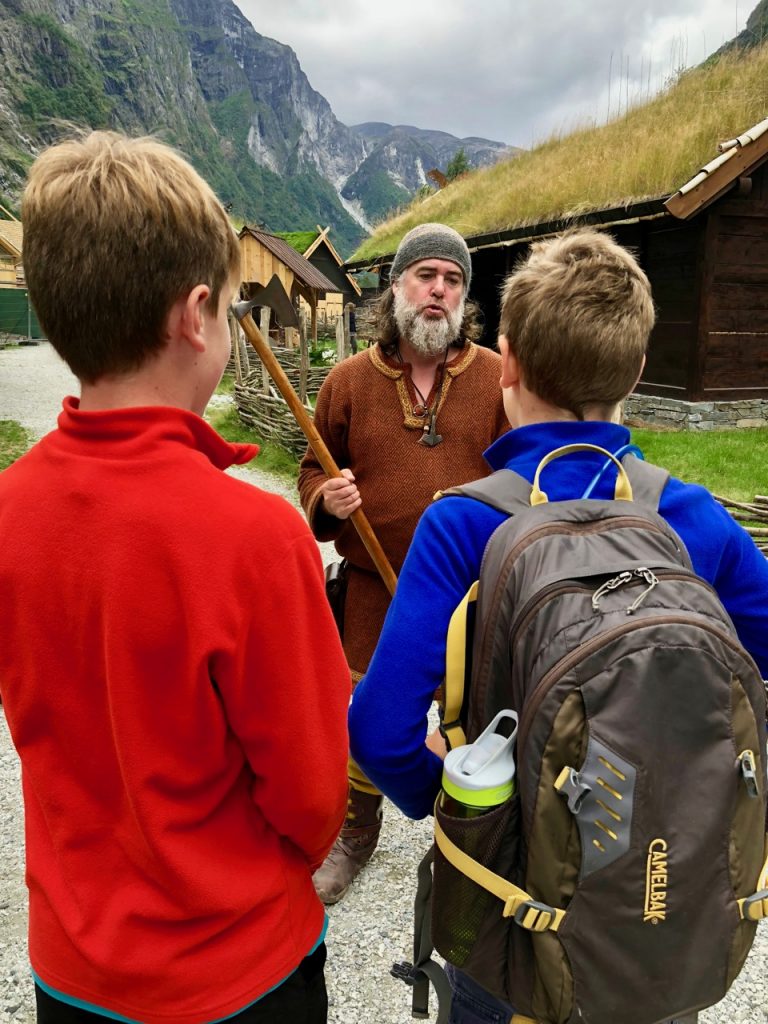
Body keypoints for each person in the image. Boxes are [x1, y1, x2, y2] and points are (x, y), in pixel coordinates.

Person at [348, 228, 768, 1023]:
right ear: (638, 371)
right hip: (666, 916)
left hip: (515, 923)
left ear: (506, 362)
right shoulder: (691, 520)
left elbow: (378, 731)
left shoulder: (465, 525)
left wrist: (463, 805)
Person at [0, 132, 350, 1024]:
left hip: (73, 970)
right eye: (233, 310)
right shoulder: (256, 537)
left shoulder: (7, 509)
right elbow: (312, 800)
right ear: (196, 315)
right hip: (236, 973)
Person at [298, 223, 509, 904]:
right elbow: (310, 470)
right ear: (396, 290)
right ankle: (357, 831)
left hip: (473, 595)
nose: (438, 291)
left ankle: (480, 838)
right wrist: (326, 498)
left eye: (452, 280)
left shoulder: (496, 380)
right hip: (371, 590)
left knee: (482, 714)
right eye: (425, 276)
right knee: (365, 716)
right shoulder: (349, 382)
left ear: (464, 297)